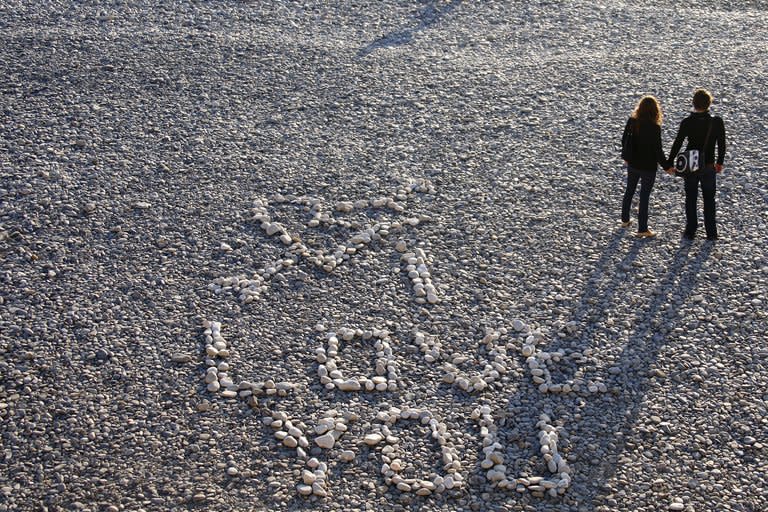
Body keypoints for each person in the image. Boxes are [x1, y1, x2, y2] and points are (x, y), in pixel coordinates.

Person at [666, 88, 727, 241]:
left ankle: (690, 230)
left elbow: (677, 143)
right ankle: (711, 233)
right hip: (708, 165)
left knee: (691, 197)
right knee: (709, 199)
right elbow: (722, 144)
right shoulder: (716, 121)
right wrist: (719, 162)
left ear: (693, 103)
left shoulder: (687, 122)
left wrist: (669, 163)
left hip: (691, 164)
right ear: (709, 103)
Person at [620, 95, 674, 238]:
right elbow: (658, 151)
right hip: (648, 167)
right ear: (655, 111)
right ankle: (642, 228)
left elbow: (624, 140)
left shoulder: (632, 121)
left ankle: (625, 220)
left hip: (632, 164)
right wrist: (667, 167)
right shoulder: (654, 128)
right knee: (644, 196)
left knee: (629, 191)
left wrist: (626, 157)